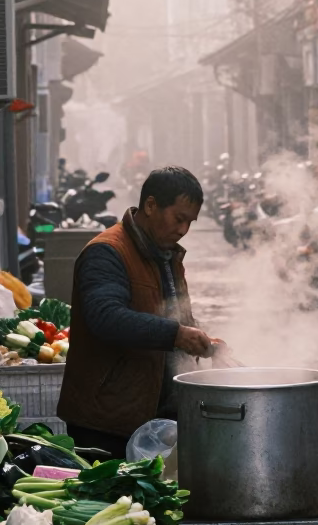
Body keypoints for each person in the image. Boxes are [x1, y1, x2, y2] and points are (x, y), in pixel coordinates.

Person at [57, 166, 212, 457]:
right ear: (151, 205)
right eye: (179, 219)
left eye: (190, 222)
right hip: (107, 422)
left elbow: (176, 317)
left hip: (156, 416)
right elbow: (106, 317)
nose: (184, 230)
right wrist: (177, 334)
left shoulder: (167, 254)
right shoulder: (107, 252)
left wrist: (203, 341)